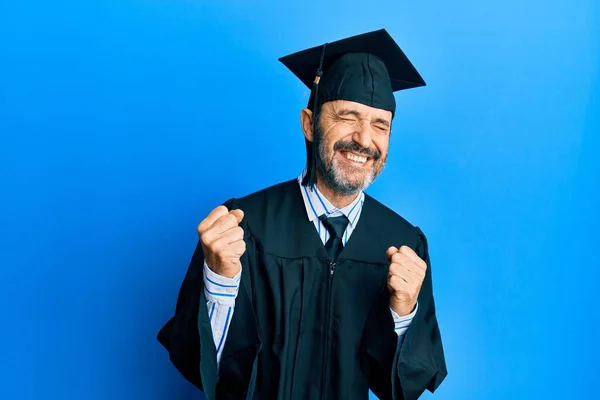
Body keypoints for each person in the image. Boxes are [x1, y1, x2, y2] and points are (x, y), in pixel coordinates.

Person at [157, 28, 447, 400]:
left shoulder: (404, 244)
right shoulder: (243, 228)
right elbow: (201, 367)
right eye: (348, 116)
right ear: (310, 124)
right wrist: (220, 282)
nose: (364, 139)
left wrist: (405, 311)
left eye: (380, 125)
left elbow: (402, 385)